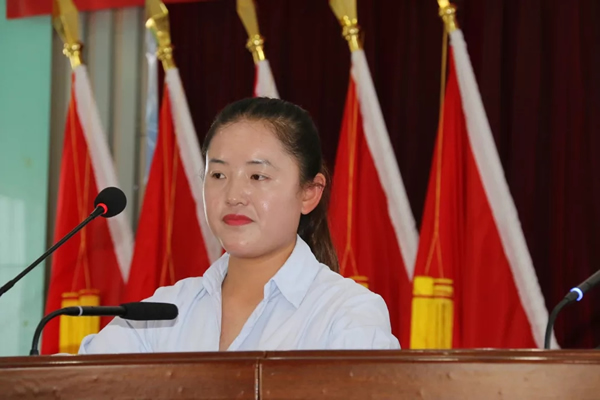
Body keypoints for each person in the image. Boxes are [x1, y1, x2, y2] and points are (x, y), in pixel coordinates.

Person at [78, 97, 400, 354]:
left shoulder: (346, 314)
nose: (233, 195)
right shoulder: (164, 311)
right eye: (218, 175)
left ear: (309, 193)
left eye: (257, 176)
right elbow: (82, 382)